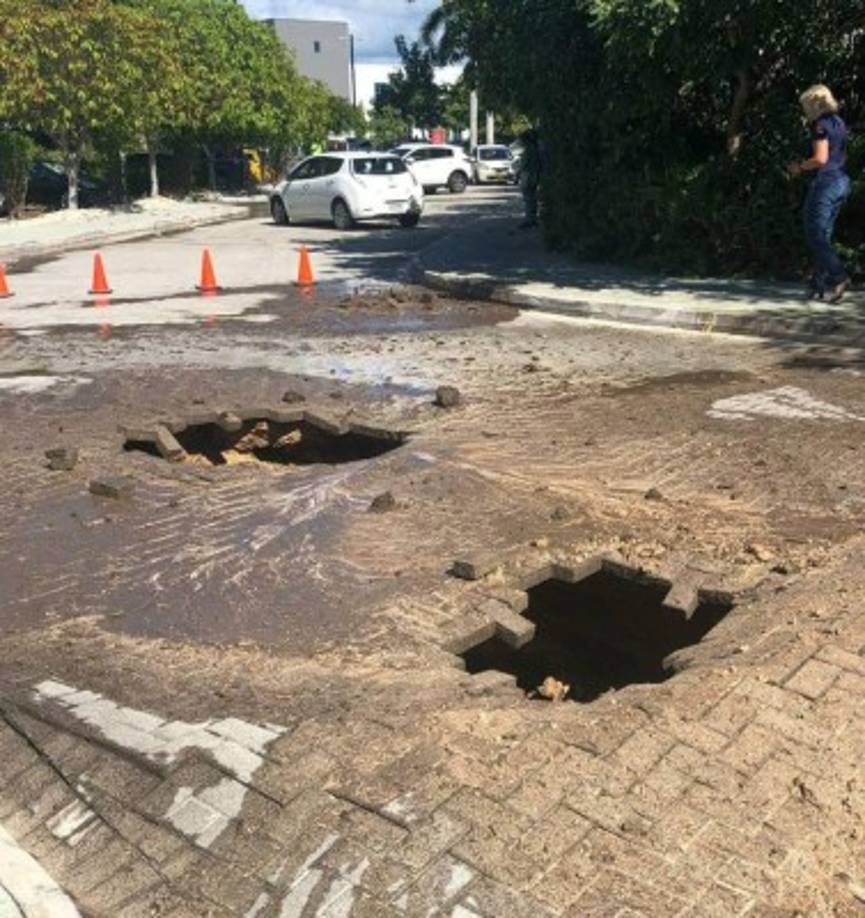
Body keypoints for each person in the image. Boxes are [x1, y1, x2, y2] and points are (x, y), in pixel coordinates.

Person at [788, 85, 851, 303]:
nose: (804, 110)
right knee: (823, 233)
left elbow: (821, 159)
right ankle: (818, 283)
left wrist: (799, 167)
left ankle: (838, 276)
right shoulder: (839, 123)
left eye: (805, 106)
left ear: (814, 104)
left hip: (826, 182)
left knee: (814, 232)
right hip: (842, 181)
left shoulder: (820, 126)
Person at [518, 129, 542, 229]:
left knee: (528, 199)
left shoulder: (529, 150)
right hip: (534, 175)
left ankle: (529, 220)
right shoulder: (536, 148)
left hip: (528, 176)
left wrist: (518, 173)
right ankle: (532, 219)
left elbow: (524, 165)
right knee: (532, 199)